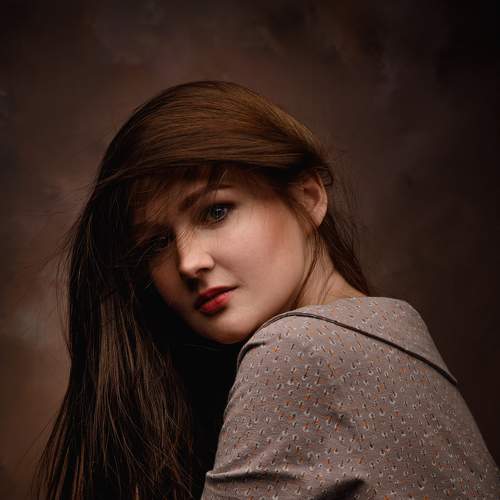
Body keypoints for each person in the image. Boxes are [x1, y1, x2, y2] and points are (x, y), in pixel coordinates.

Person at [33, 81, 499, 499]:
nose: (189, 262)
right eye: (157, 243)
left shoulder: (296, 351)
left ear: (308, 198)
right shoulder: (391, 327)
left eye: (216, 211)